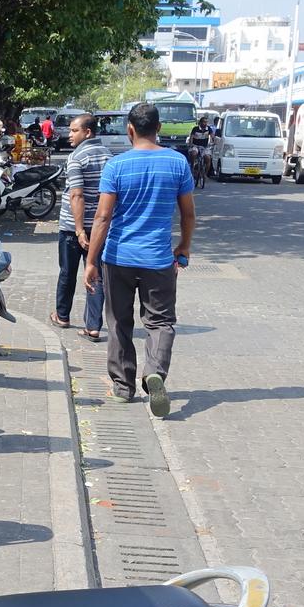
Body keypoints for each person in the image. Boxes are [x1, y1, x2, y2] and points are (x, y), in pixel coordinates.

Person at [84, 101, 196, 418]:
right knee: (160, 322)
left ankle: (122, 387)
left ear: (129, 129)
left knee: (119, 321)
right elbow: (188, 213)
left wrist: (91, 261)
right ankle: (154, 372)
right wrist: (184, 247)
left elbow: (103, 217)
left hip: (118, 257)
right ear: (158, 128)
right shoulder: (177, 163)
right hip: (158, 260)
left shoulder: (116, 166)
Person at [54, 112, 110, 337]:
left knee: (67, 272)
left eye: (74, 131)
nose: (69, 135)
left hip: (72, 227)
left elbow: (76, 195)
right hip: (99, 227)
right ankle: (93, 326)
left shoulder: (77, 157)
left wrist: (78, 230)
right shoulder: (109, 156)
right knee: (94, 272)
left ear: (87, 132)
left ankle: (62, 315)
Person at [187, 115, 215, 187]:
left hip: (205, 147)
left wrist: (214, 141)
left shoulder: (208, 129)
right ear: (200, 123)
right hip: (195, 146)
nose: (205, 123)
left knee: (208, 158)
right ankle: (192, 168)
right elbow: (191, 137)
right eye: (204, 122)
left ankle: (204, 175)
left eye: (206, 122)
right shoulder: (195, 129)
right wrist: (191, 144)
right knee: (193, 154)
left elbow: (212, 136)